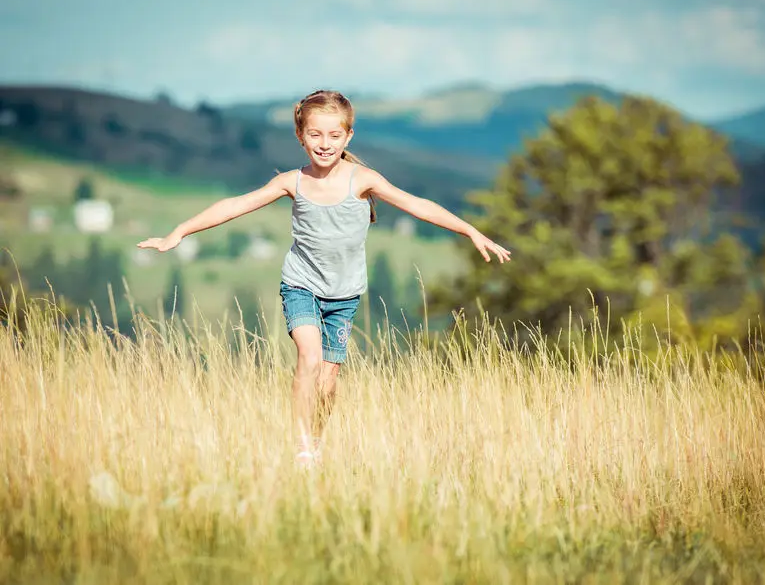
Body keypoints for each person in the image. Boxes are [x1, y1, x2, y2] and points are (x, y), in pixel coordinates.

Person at [137, 89, 511, 468]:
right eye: (315, 135)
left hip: (345, 295)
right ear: (301, 137)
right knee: (309, 356)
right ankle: (301, 450)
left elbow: (417, 205)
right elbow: (235, 205)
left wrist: (471, 231)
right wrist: (180, 231)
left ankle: (316, 443)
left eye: (334, 135)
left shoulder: (362, 179)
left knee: (328, 382)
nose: (325, 144)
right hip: (301, 285)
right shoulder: (292, 182)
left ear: (348, 137)